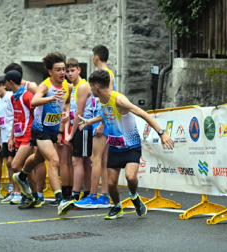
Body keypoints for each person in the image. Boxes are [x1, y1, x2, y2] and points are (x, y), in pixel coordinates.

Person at [78, 70, 174, 220]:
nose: (90, 91)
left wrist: (161, 133)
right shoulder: (101, 101)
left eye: (91, 87)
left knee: (130, 177)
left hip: (131, 145)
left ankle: (134, 196)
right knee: (111, 184)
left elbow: (143, 113)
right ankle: (117, 207)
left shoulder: (119, 100)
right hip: (115, 147)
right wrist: (89, 122)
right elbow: (104, 114)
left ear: (97, 87)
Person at [13, 52, 75, 216]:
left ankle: (21, 176)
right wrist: (51, 98)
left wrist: (66, 113)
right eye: (58, 70)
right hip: (40, 129)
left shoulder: (68, 86)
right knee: (53, 160)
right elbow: (34, 102)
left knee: (38, 158)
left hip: (53, 129)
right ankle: (60, 200)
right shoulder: (45, 86)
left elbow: (67, 102)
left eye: (64, 69)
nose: (62, 73)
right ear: (50, 72)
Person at [74, 45, 114, 209]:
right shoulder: (109, 74)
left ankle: (92, 196)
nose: (92, 58)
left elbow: (108, 99)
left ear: (96, 57)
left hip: (102, 120)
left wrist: (102, 124)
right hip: (103, 120)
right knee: (102, 160)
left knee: (95, 159)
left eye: (92, 55)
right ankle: (103, 196)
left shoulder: (106, 75)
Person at [3, 63, 46, 206]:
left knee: (15, 165)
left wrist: (36, 135)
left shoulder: (27, 96)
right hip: (19, 135)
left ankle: (27, 194)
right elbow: (16, 117)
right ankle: (35, 197)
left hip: (28, 135)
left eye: (5, 83)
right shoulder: (13, 97)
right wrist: (11, 137)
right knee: (27, 168)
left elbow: (36, 114)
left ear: (11, 82)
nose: (4, 87)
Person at [64, 58, 93, 202]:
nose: (69, 74)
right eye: (67, 71)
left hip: (83, 126)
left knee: (77, 160)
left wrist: (70, 134)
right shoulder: (74, 87)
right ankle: (86, 193)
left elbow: (79, 113)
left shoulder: (82, 86)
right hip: (80, 126)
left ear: (79, 70)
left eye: (72, 70)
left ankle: (75, 194)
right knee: (85, 161)